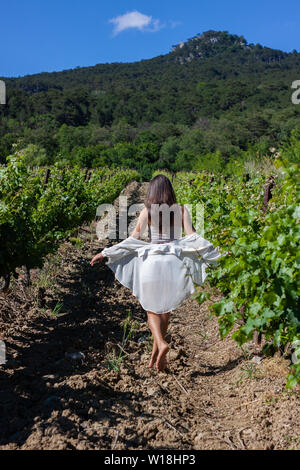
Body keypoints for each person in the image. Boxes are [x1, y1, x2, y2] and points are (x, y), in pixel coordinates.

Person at [90, 174, 225, 372]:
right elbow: (194, 237)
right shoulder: (180, 210)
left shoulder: (147, 211)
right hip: (173, 264)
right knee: (165, 311)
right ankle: (157, 359)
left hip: (151, 263)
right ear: (170, 191)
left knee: (152, 311)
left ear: (151, 192)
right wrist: (220, 253)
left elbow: (132, 240)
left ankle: (161, 344)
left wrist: (106, 252)